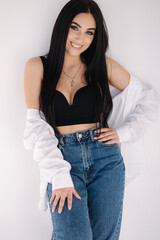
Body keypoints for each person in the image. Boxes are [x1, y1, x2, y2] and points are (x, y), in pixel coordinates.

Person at [23, 0, 160, 239]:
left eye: (89, 32)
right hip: (63, 159)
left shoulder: (101, 66)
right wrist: (58, 175)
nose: (80, 38)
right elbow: (35, 125)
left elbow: (149, 100)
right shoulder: (37, 67)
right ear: (62, 26)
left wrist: (124, 132)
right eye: (74, 28)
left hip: (106, 159)